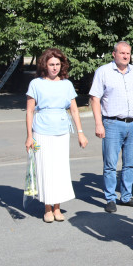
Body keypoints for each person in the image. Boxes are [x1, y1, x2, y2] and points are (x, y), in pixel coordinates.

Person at [25, 48, 88, 223]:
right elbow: (30, 111)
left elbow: (74, 110)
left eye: (57, 64)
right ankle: (47, 207)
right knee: (45, 168)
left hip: (61, 131)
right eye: (51, 64)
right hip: (41, 131)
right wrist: (29, 136)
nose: (54, 68)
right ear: (45, 65)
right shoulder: (36, 84)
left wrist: (80, 133)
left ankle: (57, 207)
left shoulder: (66, 84)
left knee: (60, 169)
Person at [89, 41, 133, 213]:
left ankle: (126, 196)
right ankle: (110, 198)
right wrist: (98, 124)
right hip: (112, 123)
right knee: (110, 164)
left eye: (128, 53)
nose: (126, 56)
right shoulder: (104, 72)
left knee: (131, 163)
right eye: (122, 53)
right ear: (114, 54)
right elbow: (95, 98)